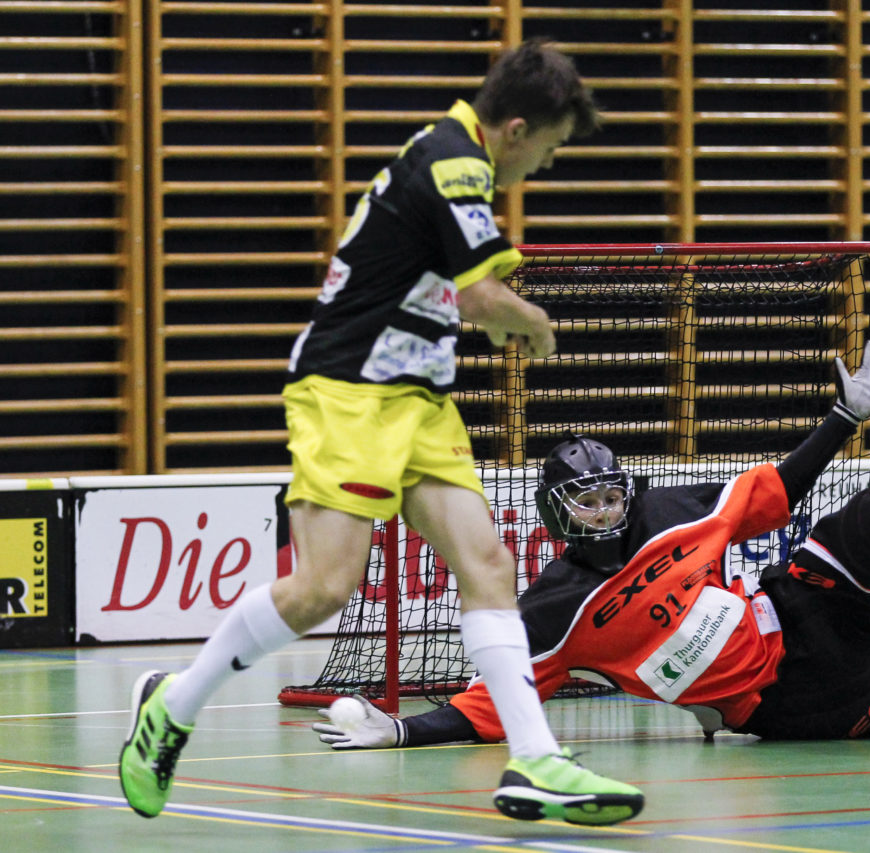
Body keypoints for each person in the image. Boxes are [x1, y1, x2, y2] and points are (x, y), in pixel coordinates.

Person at [119, 39, 646, 828]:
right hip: (349, 390)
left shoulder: (458, 158)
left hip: (419, 399)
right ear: (515, 128)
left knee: (488, 561)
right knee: (324, 587)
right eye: (549, 148)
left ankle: (534, 757)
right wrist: (535, 325)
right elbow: (481, 299)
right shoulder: (452, 162)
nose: (542, 166)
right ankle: (174, 701)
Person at [311, 341, 870, 753]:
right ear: (555, 515)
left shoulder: (670, 509)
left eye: (616, 489)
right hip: (793, 698)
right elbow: (488, 706)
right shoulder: (553, 608)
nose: (611, 507)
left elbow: (773, 494)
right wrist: (397, 731)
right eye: (591, 498)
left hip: (798, 602)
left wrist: (843, 417)